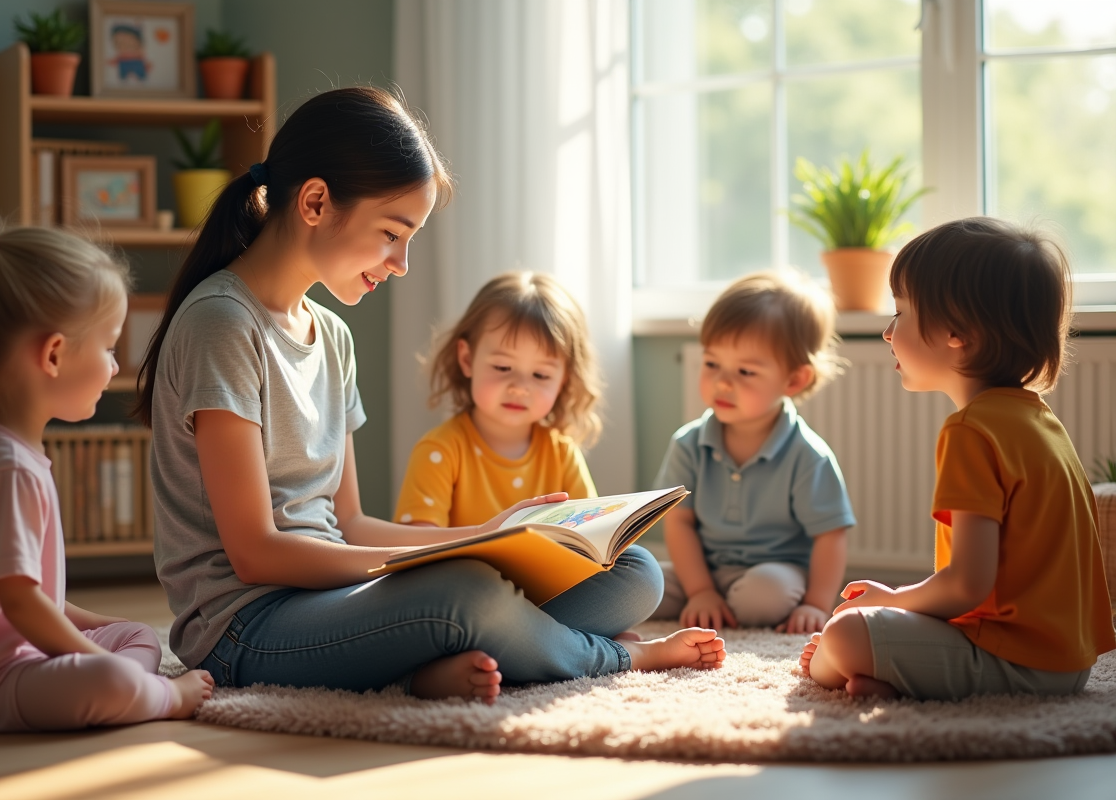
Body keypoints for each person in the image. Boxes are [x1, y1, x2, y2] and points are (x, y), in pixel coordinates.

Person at [134, 87, 724, 705]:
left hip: (332, 598)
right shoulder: (222, 324)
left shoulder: (332, 335)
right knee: (467, 592)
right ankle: (615, 656)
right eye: (392, 233)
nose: (402, 263)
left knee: (633, 572)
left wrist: (488, 535)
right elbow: (255, 556)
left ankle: (426, 663)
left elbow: (351, 522)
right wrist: (455, 558)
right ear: (314, 201)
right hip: (246, 629)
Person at [800, 217, 1116, 700]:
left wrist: (895, 600)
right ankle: (891, 680)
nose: (888, 333)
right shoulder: (1038, 420)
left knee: (843, 632)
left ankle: (852, 668)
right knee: (875, 625)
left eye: (900, 312)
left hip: (1016, 661)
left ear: (957, 332)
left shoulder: (971, 431)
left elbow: (967, 585)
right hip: (1068, 663)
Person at [0, 223, 213, 732]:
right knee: (110, 680)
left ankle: (132, 685)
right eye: (108, 347)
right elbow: (23, 605)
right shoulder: (4, 468)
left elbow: (36, 599)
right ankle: (157, 696)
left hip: (7, 656)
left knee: (138, 634)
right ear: (54, 354)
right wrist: (103, 666)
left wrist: (105, 631)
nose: (115, 364)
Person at [651, 270, 855, 634]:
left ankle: (727, 606)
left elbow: (831, 535)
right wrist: (700, 591)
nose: (722, 382)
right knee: (638, 578)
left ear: (793, 380)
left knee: (764, 595)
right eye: (712, 363)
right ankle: (710, 604)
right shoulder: (688, 443)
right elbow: (678, 521)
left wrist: (816, 604)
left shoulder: (808, 455)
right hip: (703, 569)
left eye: (745, 371)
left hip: (775, 572)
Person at [394, 271, 601, 529]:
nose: (519, 388)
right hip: (467, 568)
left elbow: (591, 530)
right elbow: (419, 543)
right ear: (467, 360)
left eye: (540, 374)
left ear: (564, 380)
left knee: (640, 562)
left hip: (545, 569)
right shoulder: (440, 450)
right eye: (503, 367)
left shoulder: (561, 453)